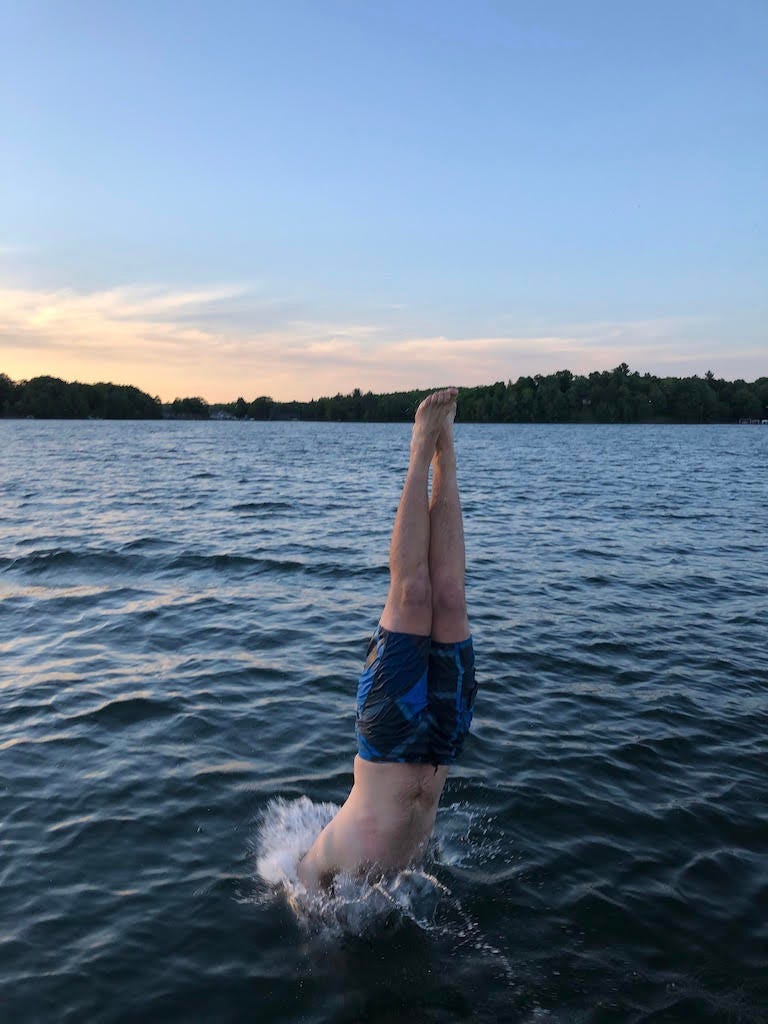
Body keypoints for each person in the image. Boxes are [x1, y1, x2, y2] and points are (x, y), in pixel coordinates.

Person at [298, 388, 477, 890]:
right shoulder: (338, 868)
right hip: (443, 742)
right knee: (448, 597)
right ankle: (445, 446)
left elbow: (305, 877)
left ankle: (424, 446)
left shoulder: (321, 860)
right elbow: (305, 891)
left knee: (414, 593)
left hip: (389, 738)